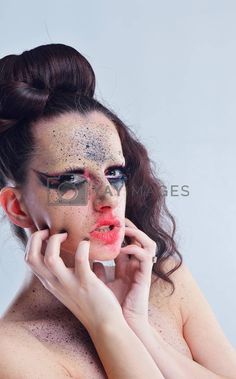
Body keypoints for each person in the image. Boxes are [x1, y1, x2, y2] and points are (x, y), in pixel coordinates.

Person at [0, 44, 235, 379]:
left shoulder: (163, 279)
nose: (108, 197)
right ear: (17, 207)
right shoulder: (11, 352)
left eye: (114, 173)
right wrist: (106, 323)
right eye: (71, 180)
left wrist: (139, 327)